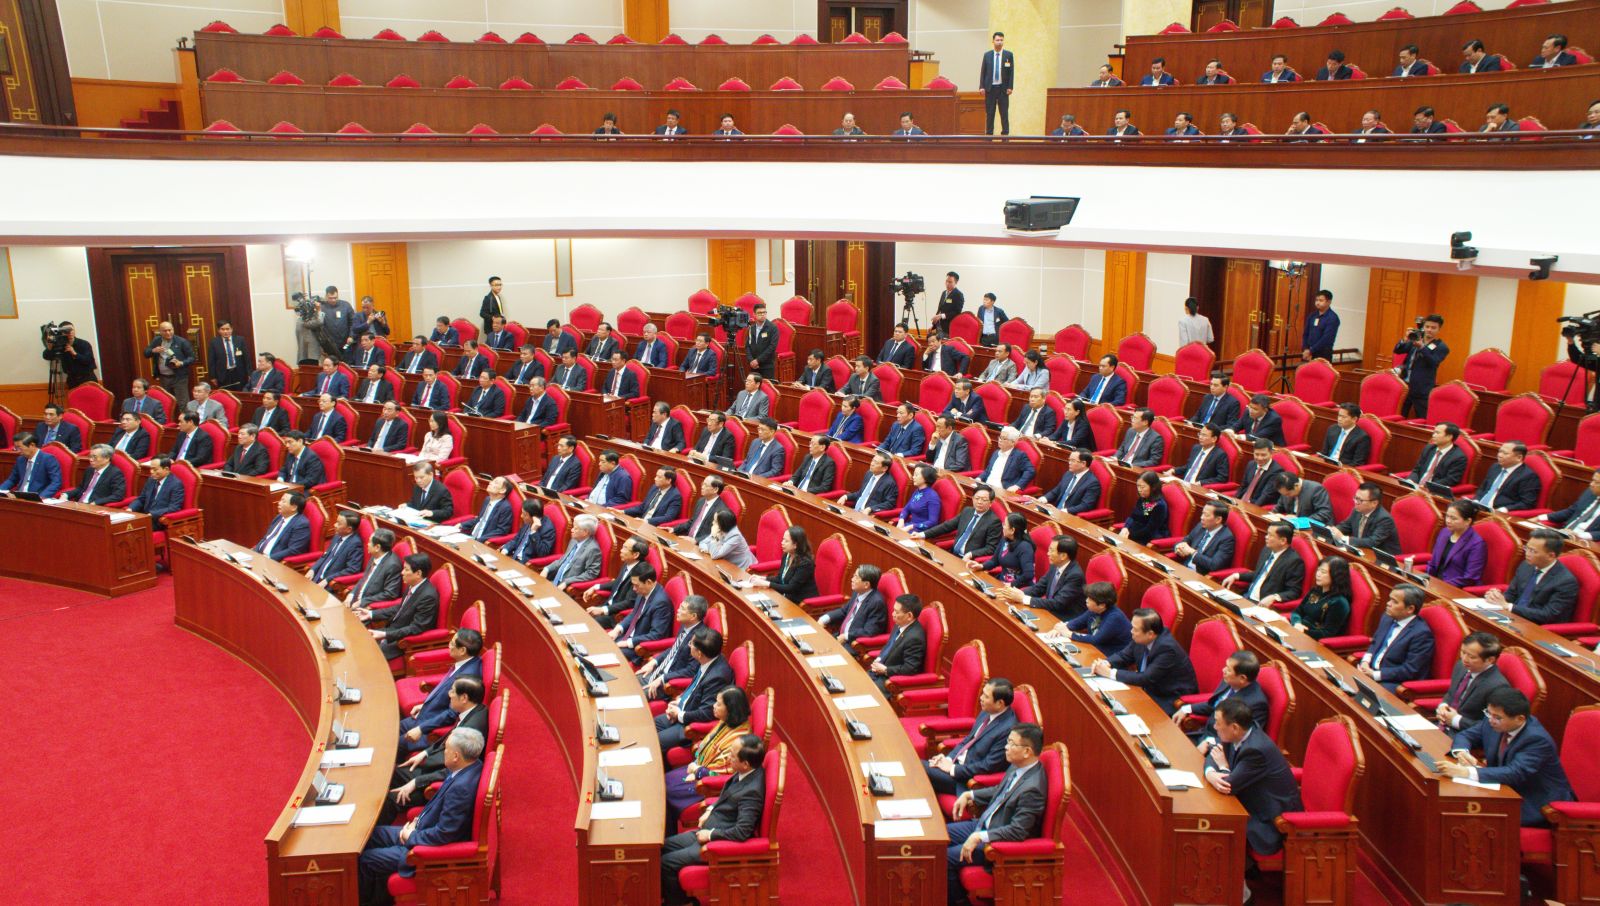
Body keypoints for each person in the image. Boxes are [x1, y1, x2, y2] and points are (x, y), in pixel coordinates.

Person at [358, 726, 484, 906]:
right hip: (421, 829)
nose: (443, 753)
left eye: (446, 749)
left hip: (428, 849)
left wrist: (412, 836)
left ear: (456, 756)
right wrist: (417, 822)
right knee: (370, 835)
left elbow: (445, 834)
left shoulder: (461, 789)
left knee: (366, 860)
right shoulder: (471, 766)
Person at [1200, 698, 1303, 899]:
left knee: (1222, 826)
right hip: (1252, 800)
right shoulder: (1240, 732)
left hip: (1270, 818)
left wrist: (1222, 768)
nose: (1215, 727)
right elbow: (1215, 754)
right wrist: (1211, 773)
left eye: (1218, 723)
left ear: (1234, 727)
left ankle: (1240, 893)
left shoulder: (1255, 750)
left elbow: (1228, 785)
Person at [945, 723, 1047, 906]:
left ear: (1027, 751)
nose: (1006, 747)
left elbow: (1018, 831)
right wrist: (970, 794)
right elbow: (1000, 790)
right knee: (940, 838)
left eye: (1011, 743)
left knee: (945, 858)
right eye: (1007, 741)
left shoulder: (1033, 789)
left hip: (997, 843)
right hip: (984, 824)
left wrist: (980, 836)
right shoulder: (1018, 766)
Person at [1442, 687, 1574, 827]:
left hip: (1536, 802)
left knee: (1468, 815)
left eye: (1497, 717)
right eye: (1489, 713)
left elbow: (1514, 772)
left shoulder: (1536, 739)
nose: (1491, 720)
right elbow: (1466, 735)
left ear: (1520, 719)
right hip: (1504, 788)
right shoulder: (1494, 721)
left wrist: (1466, 772)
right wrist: (1462, 752)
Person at [660, 736, 767, 906]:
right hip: (707, 829)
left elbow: (742, 832)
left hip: (716, 841)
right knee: (659, 847)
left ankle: (681, 903)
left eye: (732, 756)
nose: (728, 757)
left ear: (745, 764)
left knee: (665, 863)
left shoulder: (752, 792)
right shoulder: (746, 772)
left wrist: (710, 835)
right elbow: (727, 795)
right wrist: (710, 810)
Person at [383, 674, 487, 826]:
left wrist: (416, 782)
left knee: (391, 797)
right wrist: (424, 753)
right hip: (436, 763)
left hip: (438, 777)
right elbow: (448, 737)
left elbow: (454, 769)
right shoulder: (475, 711)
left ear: (464, 698)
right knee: (390, 774)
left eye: (452, 691)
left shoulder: (472, 728)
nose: (449, 694)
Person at [664, 686, 753, 829]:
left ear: (730, 709)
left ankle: (667, 834)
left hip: (710, 786)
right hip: (699, 768)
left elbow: (726, 774)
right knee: (664, 780)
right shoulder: (727, 722)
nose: (714, 706)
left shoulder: (738, 741)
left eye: (718, 704)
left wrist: (698, 771)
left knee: (666, 791)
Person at [1092, 608, 1198, 714]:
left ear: (1150, 634)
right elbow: (1124, 656)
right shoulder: (1142, 637)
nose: (1131, 631)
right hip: (1147, 688)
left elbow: (1146, 678)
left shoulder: (1167, 649)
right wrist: (1104, 663)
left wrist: (1110, 673)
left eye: (1135, 629)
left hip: (1168, 697)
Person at [925, 679, 1019, 797]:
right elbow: (969, 739)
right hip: (957, 765)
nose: (981, 698)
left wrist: (953, 769)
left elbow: (988, 766)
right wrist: (948, 759)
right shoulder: (987, 711)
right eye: (982, 693)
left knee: (919, 768)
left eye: (986, 696)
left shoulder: (1008, 730)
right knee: (920, 768)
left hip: (965, 779)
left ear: (1000, 703)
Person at [656, 626, 735, 751]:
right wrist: (680, 700)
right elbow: (696, 686)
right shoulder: (709, 658)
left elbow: (706, 713)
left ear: (699, 653)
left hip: (692, 724)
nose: (689, 646)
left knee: (655, 741)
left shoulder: (717, 678)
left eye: (691, 644)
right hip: (686, 708)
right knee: (652, 725)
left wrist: (679, 714)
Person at [1485, 529, 1578, 624]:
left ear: (1551, 555)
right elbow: (1512, 594)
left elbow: (1549, 615)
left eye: (1533, 551)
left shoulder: (1565, 581)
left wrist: (1509, 606)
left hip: (1537, 626)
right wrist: (1497, 598)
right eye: (1527, 548)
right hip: (1511, 617)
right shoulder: (1526, 565)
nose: (1527, 554)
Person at [1176, 650, 1270, 742]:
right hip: (1204, 733)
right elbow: (1214, 705)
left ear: (1242, 678)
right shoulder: (1230, 680)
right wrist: (1187, 709)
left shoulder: (1256, 704)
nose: (1223, 670)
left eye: (1228, 669)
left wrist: (1211, 743)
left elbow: (1244, 739)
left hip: (1220, 746)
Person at [1358, 585, 1435, 690]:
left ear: (1410, 609)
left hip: (1393, 682)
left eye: (1394, 602)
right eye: (1390, 599)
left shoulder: (1421, 634)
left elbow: (1410, 670)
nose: (1388, 603)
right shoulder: (1387, 617)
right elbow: (1375, 642)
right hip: (1370, 671)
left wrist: (1375, 675)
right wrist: (1365, 662)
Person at [1434, 633, 1510, 732]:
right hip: (1440, 725)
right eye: (1463, 652)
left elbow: (1492, 726)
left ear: (1490, 660)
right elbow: (1451, 694)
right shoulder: (1461, 666)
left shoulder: (1497, 686)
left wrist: (1456, 720)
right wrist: (1443, 707)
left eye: (1472, 657)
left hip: (1463, 734)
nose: (1464, 659)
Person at [1003, 534, 1083, 617]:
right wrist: (1016, 594)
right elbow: (1039, 588)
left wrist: (1023, 598)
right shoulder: (1055, 565)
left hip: (1064, 617)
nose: (1048, 553)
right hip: (1050, 610)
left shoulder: (1075, 576)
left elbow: (1058, 603)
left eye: (1052, 551)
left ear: (1063, 556)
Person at [1044, 581, 1131, 652]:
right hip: (1094, 648)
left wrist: (1070, 634)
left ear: (1102, 605)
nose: (1086, 601)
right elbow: (1077, 622)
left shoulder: (1115, 618)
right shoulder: (1094, 610)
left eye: (1090, 599)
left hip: (1110, 654)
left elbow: (1096, 639)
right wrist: (1061, 628)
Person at [1234, 524, 1304, 607]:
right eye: (1267, 534)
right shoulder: (1267, 550)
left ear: (1283, 541)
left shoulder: (1294, 561)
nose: (1266, 537)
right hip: (1246, 596)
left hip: (1260, 604)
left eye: (1270, 535)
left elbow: (1294, 591)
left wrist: (1274, 597)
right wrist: (1237, 576)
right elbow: (1259, 574)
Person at [869, 595, 928, 693]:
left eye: (896, 612)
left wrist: (886, 670)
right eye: (893, 610)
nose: (893, 614)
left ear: (909, 616)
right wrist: (879, 659)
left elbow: (910, 668)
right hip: (878, 672)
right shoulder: (899, 624)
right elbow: (889, 646)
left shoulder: (914, 638)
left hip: (890, 681)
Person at [1395, 313, 1449, 419]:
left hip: (1422, 389)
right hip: (1405, 386)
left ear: (1439, 329)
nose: (1429, 330)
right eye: (1427, 326)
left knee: (1422, 418)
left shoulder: (1441, 347)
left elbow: (1433, 362)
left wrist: (1422, 347)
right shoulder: (1416, 338)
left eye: (1433, 328)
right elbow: (1398, 350)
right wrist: (1405, 339)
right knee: (1399, 416)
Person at [820, 564, 888, 646]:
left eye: (856, 577)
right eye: (853, 576)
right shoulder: (857, 592)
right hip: (840, 636)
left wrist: (846, 636)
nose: (852, 579)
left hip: (852, 643)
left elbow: (869, 631)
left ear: (866, 584)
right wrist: (824, 619)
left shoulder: (876, 603)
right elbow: (844, 611)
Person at [1428, 499, 1488, 587]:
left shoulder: (1477, 544)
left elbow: (1470, 578)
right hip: (1433, 583)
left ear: (1468, 521)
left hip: (1454, 588)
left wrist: (1441, 586)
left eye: (1453, 518)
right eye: (1447, 516)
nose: (1448, 521)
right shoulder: (1444, 532)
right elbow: (1433, 563)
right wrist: (1426, 579)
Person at [1289, 556, 1352, 640]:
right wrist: (1296, 623)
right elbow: (1297, 611)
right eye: (1318, 570)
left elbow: (1327, 633)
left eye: (1323, 572)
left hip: (1311, 640)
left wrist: (1303, 631)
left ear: (1336, 576)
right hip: (1297, 630)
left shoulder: (1339, 602)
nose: (1318, 574)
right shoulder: (1315, 590)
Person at [750, 525, 818, 601]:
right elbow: (780, 578)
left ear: (795, 545)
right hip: (787, 597)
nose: (782, 543)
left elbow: (791, 588)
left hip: (800, 602)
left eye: (786, 541)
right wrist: (763, 578)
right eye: (783, 539)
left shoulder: (805, 564)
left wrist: (765, 583)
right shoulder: (787, 555)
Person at [1331, 482, 1400, 555]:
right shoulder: (1357, 511)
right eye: (1355, 498)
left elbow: (1373, 541)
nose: (1356, 502)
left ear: (1374, 503)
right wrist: (1333, 530)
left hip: (1381, 558)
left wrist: (1344, 538)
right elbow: (1345, 526)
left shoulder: (1384, 519)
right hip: (1361, 551)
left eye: (1360, 500)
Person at [1475, 441, 1541, 512]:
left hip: (1497, 511)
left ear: (1519, 457)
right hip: (1479, 507)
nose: (1499, 455)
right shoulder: (1495, 467)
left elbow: (1527, 503)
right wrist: (1476, 500)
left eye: (1505, 453)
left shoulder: (1528, 476)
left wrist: (1504, 509)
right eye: (1500, 451)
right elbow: (1483, 488)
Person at [1403, 421, 1468, 493]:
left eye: (1437, 433)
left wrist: (1426, 486)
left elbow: (1451, 480)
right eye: (1434, 432)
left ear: (1449, 437)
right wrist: (1411, 481)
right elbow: (1417, 469)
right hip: (1416, 487)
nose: (1433, 435)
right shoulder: (1429, 448)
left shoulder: (1458, 457)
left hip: (1433, 491)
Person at [974, 512, 1035, 587]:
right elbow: (994, 561)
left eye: (1005, 524)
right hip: (1002, 581)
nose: (1003, 526)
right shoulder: (1005, 539)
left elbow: (1028, 574)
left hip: (1018, 587)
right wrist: (981, 566)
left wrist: (1012, 584)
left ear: (1012, 530)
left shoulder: (1025, 547)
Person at [344, 528, 403, 605]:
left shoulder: (393, 566)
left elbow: (390, 594)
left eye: (369, 542)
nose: (367, 544)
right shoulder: (375, 555)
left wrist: (363, 602)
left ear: (377, 547)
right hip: (356, 599)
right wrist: (352, 594)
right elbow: (364, 578)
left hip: (366, 605)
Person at [1172, 501, 1235, 573]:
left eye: (1206, 515)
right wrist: (1178, 547)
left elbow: (1214, 565)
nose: (1201, 517)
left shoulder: (1227, 538)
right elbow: (1186, 540)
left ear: (1218, 520)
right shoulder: (1201, 526)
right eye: (1202, 513)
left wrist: (1192, 552)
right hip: (1184, 568)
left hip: (1200, 576)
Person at [306, 511, 365, 587]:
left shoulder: (355, 544)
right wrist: (313, 569)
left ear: (349, 529)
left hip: (330, 585)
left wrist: (328, 580)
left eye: (339, 524)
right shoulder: (338, 535)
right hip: (317, 578)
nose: (334, 525)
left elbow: (352, 570)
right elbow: (326, 555)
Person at [1541, 468, 1600, 538]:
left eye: (1597, 482)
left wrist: (1580, 535)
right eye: (1592, 480)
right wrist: (1542, 517)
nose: (1591, 484)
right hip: (1565, 533)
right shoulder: (1590, 492)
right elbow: (1571, 511)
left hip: (1584, 541)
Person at [144, 321, 196, 399]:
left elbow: (192, 358)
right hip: (163, 377)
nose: (168, 333)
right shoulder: (156, 340)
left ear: (173, 329)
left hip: (179, 377)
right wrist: (153, 351)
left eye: (170, 330)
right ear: (160, 332)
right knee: (166, 400)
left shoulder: (182, 341)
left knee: (182, 401)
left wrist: (181, 363)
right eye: (165, 331)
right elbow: (146, 353)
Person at [973, 428, 1034, 494]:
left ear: (1013, 442)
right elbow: (988, 471)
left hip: (1001, 490)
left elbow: (1030, 471)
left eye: (1004, 439)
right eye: (1000, 437)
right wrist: (979, 479)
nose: (1000, 440)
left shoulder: (1019, 455)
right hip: (986, 486)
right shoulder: (996, 453)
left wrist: (1017, 486)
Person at [253, 492, 311, 561]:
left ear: (294, 507)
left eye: (283, 501)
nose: (279, 503)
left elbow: (294, 550)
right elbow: (266, 537)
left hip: (273, 561)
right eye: (280, 500)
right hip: (260, 556)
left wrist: (269, 558)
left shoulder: (301, 524)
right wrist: (254, 552)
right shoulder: (279, 517)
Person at [129, 456, 184, 527]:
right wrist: (131, 508)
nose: (151, 472)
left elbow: (174, 508)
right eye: (151, 468)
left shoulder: (176, 484)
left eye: (155, 469)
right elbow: (142, 498)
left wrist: (153, 514)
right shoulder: (151, 480)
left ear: (166, 469)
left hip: (158, 520)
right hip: (145, 516)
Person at [1042, 449, 1101, 515]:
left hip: (1070, 515)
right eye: (1069, 460)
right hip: (1055, 512)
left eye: (1073, 461)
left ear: (1083, 463)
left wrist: (1061, 511)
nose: (1069, 463)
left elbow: (1085, 506)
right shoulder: (1068, 474)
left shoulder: (1092, 483)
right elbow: (1056, 491)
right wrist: (1042, 500)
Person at [675, 474, 731, 541]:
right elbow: (692, 522)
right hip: (687, 539)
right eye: (703, 483)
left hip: (701, 544)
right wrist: (674, 529)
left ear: (715, 489)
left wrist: (696, 540)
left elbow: (717, 534)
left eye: (706, 485)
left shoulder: (721, 510)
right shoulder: (701, 501)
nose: (702, 487)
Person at [978, 32, 1014, 135]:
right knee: (990, 113)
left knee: (1004, 113)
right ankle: (989, 136)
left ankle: (1005, 136)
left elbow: (1011, 72)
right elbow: (983, 71)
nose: (999, 42)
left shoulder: (1008, 55)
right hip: (990, 88)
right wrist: (982, 86)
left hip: (1003, 88)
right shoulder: (987, 55)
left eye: (1001, 40)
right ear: (993, 41)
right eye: (997, 40)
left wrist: (1010, 87)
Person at [1121, 470, 1169, 545]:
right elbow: (1132, 516)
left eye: (1142, 487)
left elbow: (1150, 530)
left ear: (1153, 487)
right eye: (1138, 486)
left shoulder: (1160, 505)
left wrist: (1130, 536)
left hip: (1149, 538)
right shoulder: (1143, 498)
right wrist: (1126, 527)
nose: (1139, 490)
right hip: (1135, 533)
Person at [501, 500, 556, 565]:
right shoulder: (528, 521)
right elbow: (516, 539)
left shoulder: (548, 529)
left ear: (534, 517)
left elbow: (543, 553)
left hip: (526, 564)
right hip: (513, 558)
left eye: (524, 514)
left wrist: (534, 532)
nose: (521, 516)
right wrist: (506, 549)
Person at [206, 320, 249, 390]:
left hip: (238, 372)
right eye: (222, 329)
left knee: (240, 393)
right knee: (225, 393)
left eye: (227, 329)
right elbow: (211, 361)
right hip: (223, 374)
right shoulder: (214, 342)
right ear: (218, 330)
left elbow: (247, 358)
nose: (225, 331)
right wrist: (213, 376)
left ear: (231, 329)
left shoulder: (240, 340)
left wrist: (249, 373)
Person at [1299, 289, 1340, 361]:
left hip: (1323, 354)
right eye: (1316, 300)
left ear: (1329, 302)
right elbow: (1306, 334)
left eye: (1321, 300)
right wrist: (1305, 349)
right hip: (1308, 353)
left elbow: (1326, 338)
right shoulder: (1312, 315)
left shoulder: (1333, 318)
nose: (1317, 303)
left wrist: (1311, 350)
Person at [745, 303, 779, 378]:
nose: (763, 314)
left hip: (767, 366)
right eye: (760, 313)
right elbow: (747, 346)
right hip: (753, 366)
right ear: (754, 314)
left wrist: (758, 360)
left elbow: (772, 347)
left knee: (766, 385)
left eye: (764, 312)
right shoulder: (751, 328)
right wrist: (751, 360)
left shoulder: (772, 328)